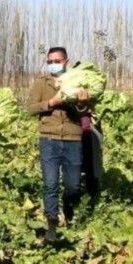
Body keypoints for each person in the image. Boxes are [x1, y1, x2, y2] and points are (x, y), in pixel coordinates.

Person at [25, 47, 93, 244]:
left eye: (57, 60)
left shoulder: (77, 82)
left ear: (66, 61)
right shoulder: (41, 83)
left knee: (72, 185)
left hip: (73, 138)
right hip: (49, 139)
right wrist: (51, 102)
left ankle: (69, 209)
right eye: (50, 61)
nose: (54, 64)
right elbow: (30, 108)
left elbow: (84, 112)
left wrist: (82, 104)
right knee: (50, 183)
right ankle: (52, 225)